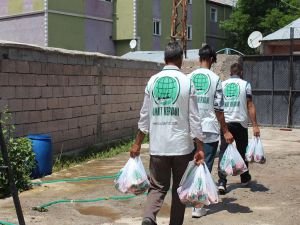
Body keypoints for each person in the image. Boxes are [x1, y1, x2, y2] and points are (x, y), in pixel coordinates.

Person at [130, 41, 205, 225]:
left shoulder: (152, 82)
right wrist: (200, 147)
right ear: (181, 59)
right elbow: (195, 118)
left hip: (158, 147)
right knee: (180, 189)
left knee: (157, 187)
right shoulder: (188, 82)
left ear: (164, 59)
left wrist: (138, 143)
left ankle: (149, 218)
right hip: (182, 148)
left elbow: (144, 116)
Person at [187, 44, 234, 218]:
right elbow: (219, 109)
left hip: (191, 129)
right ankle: (198, 206)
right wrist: (226, 130)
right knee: (204, 166)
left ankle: (189, 197)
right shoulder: (215, 80)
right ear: (213, 60)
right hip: (209, 130)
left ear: (199, 58)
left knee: (192, 165)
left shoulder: (188, 77)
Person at [217, 62, 260, 194]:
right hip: (240, 123)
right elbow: (250, 105)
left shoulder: (222, 85)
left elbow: (218, 107)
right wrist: (255, 125)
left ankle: (222, 182)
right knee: (243, 151)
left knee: (223, 152)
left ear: (230, 73)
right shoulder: (246, 84)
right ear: (241, 72)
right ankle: (244, 177)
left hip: (226, 123)